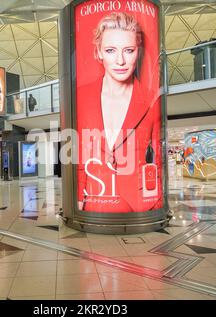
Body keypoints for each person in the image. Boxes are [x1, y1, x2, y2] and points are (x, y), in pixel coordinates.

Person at [77, 12, 161, 213]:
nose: (120, 60)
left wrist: (155, 204)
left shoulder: (152, 100)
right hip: (94, 201)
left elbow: (159, 160)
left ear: (138, 52)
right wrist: (78, 200)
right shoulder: (81, 97)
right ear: (99, 52)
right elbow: (78, 158)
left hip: (139, 205)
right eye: (110, 50)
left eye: (129, 50)